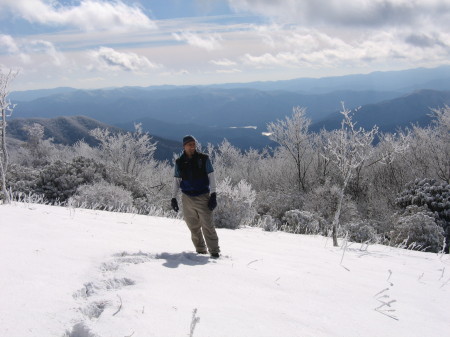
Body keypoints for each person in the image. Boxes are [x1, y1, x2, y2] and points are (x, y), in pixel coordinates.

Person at [171, 135, 220, 258]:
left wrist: (213, 194)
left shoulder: (203, 159)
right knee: (193, 226)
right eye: (190, 144)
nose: (192, 147)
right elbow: (176, 181)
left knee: (208, 225)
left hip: (202, 196)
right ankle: (200, 250)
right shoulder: (179, 162)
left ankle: (214, 251)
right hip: (186, 198)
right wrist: (173, 198)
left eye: (194, 144)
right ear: (184, 146)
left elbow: (211, 176)